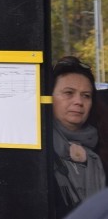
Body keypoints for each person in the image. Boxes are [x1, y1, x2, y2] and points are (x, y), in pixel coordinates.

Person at [52, 57, 106, 217]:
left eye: (86, 95)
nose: (78, 101)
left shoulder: (102, 146)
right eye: (68, 93)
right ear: (49, 98)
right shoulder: (38, 148)